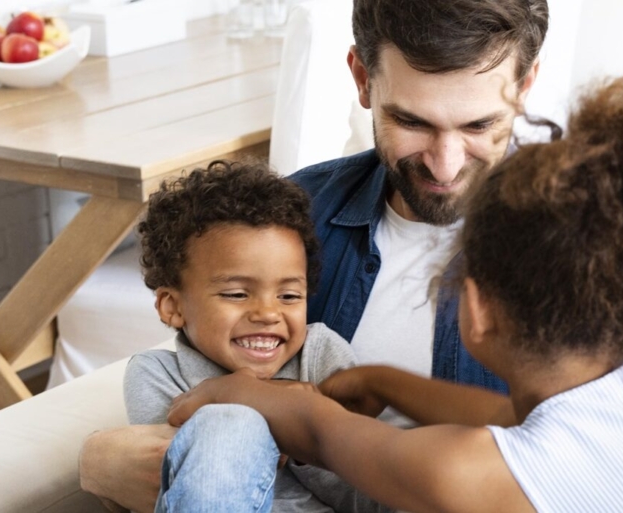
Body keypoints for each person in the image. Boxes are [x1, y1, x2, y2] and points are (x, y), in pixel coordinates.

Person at [164, 77, 623, 513]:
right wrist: (382, 381)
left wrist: (241, 392)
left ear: (476, 308)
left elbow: (319, 430)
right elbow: (510, 415)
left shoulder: (470, 476)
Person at [79, 1, 549, 510]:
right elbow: (198, 383)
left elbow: (575, 451)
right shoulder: (293, 218)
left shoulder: (583, 254)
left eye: (479, 126)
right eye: (412, 121)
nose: (444, 164)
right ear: (363, 78)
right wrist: (98, 459)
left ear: (524, 89)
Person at [122, 160, 388, 512]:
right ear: (172, 306)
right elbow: (168, 479)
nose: (267, 314)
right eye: (236, 294)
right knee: (228, 422)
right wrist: (264, 408)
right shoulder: (155, 373)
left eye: (290, 296)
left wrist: (304, 430)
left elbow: (370, 498)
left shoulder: (321, 355)